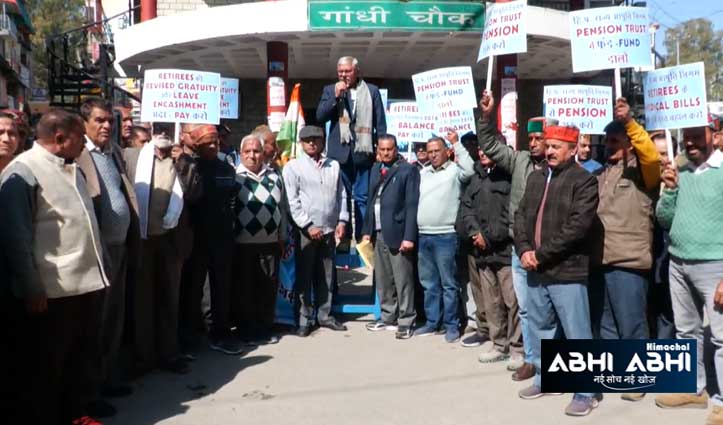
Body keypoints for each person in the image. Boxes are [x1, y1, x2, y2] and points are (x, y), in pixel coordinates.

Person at [0, 109, 109, 425]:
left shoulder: (70, 167)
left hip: (83, 287)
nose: (84, 146)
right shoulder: (23, 173)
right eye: (80, 139)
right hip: (52, 293)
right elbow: (16, 239)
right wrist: (32, 287)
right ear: (60, 138)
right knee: (47, 369)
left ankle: (76, 414)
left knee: (77, 361)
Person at [513, 121, 600, 416]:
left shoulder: (584, 181)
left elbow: (578, 227)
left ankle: (585, 392)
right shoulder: (537, 178)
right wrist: (524, 250)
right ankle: (546, 379)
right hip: (536, 270)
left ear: (573, 150)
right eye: (547, 146)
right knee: (541, 329)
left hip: (567, 270)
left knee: (577, 334)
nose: (548, 151)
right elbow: (521, 215)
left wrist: (541, 254)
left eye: (555, 147)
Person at [476, 90, 557, 381]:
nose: (534, 144)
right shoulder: (520, 161)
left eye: (540, 139)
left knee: (550, 311)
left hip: (550, 250)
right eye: (532, 139)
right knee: (525, 308)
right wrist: (486, 116)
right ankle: (531, 359)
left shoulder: (559, 169)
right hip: (518, 247)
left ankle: (553, 364)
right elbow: (488, 144)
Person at [654, 115, 723, 425]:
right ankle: (693, 389)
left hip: (715, 267)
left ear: (715, 136)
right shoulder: (678, 170)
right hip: (679, 263)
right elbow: (665, 220)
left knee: (721, 338)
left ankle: (721, 401)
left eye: (698, 134)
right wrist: (668, 191)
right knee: (686, 331)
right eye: (687, 135)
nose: (691, 141)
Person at [588, 98, 660, 381]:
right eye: (607, 141)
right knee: (606, 324)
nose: (609, 146)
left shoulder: (643, 173)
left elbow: (651, 156)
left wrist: (629, 122)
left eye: (615, 142)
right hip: (599, 260)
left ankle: (637, 377)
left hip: (628, 262)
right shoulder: (599, 173)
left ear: (629, 145)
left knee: (631, 325)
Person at [77, 97, 139, 418]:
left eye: (109, 121)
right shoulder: (78, 154)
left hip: (120, 247)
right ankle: (89, 392)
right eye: (99, 121)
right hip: (96, 252)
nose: (106, 126)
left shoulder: (112, 152)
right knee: (96, 324)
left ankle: (109, 377)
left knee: (114, 319)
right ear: (85, 123)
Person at [123, 132, 203, 374]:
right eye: (159, 129)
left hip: (171, 241)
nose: (164, 135)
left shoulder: (183, 160)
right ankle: (143, 357)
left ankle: (169, 354)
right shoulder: (132, 156)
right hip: (143, 240)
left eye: (169, 130)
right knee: (143, 300)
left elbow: (194, 193)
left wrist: (183, 162)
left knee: (169, 298)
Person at [177, 123, 242, 355]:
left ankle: (221, 332)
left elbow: (233, 198)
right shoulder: (190, 166)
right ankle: (190, 335)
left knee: (221, 287)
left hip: (223, 237)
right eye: (208, 143)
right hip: (197, 237)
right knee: (194, 288)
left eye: (216, 142)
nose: (214, 146)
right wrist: (183, 162)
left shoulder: (227, 168)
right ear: (198, 145)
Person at [282, 125, 349, 336]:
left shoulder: (334, 166)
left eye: (316, 139)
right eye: (307, 140)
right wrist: (308, 225)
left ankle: (325, 315)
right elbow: (291, 201)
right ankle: (304, 318)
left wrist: (342, 220)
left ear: (322, 142)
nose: (312, 143)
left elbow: (342, 195)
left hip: (329, 229)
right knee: (304, 276)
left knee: (327, 275)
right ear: (301, 143)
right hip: (306, 231)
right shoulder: (293, 167)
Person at [459, 148, 521, 368]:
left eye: (488, 150)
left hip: (504, 250)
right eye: (480, 150)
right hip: (482, 252)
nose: (483, 153)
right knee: (491, 301)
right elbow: (466, 209)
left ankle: (517, 348)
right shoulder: (476, 177)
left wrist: (491, 237)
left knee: (512, 302)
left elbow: (514, 211)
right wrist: (475, 233)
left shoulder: (509, 176)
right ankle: (499, 345)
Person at [316, 56, 386, 240]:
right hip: (340, 154)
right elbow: (320, 117)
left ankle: (364, 239)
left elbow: (380, 123)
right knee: (341, 199)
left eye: (347, 71)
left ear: (356, 71)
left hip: (364, 153)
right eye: (340, 71)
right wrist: (335, 97)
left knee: (363, 198)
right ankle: (343, 241)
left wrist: (380, 148)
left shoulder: (372, 91)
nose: (344, 75)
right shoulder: (330, 90)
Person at [415, 132, 474, 343]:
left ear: (446, 151)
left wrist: (456, 142)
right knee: (429, 283)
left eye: (436, 151)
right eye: (429, 152)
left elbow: (470, 169)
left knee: (449, 284)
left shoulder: (455, 172)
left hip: (446, 236)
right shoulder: (423, 173)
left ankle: (451, 325)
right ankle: (432, 322)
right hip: (424, 235)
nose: (432, 155)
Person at [361, 134, 420, 340]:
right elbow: (370, 201)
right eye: (382, 149)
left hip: (398, 232)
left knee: (402, 279)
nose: (386, 153)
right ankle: (388, 317)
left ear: (396, 149)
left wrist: (409, 236)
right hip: (378, 233)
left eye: (389, 149)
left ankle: (406, 319)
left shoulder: (408, 170)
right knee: (383, 278)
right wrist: (366, 231)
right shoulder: (375, 169)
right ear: (378, 149)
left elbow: (412, 205)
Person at [233, 134, 286, 345]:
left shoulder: (274, 177)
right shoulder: (234, 178)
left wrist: (282, 236)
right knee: (245, 289)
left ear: (263, 153)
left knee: (267, 288)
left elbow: (282, 209)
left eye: (256, 151)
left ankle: (265, 329)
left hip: (270, 243)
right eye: (247, 151)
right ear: (241, 153)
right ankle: (247, 331)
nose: (252, 156)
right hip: (243, 245)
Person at [648, 131, 676, 340]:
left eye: (665, 153)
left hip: (670, 261)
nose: (661, 159)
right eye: (655, 154)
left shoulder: (683, 183)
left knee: (667, 315)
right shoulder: (643, 184)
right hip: (644, 261)